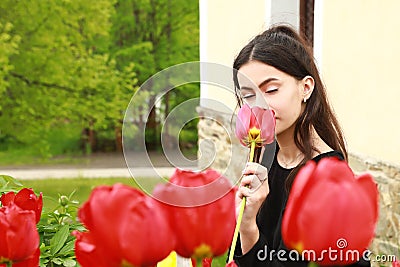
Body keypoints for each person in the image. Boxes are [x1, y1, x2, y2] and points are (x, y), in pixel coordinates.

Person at [231, 24, 370, 266]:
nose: (260, 106)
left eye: (271, 90)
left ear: (306, 87)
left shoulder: (328, 179)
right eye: (249, 95)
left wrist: (249, 228)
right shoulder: (264, 159)